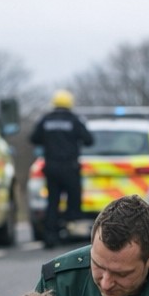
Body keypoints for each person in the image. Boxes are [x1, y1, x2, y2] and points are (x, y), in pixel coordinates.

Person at [30, 89, 94, 248]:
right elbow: (89, 140)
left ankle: (51, 236)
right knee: (73, 202)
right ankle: (72, 234)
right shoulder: (74, 120)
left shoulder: (46, 120)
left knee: (53, 202)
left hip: (51, 168)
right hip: (70, 168)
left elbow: (34, 138)